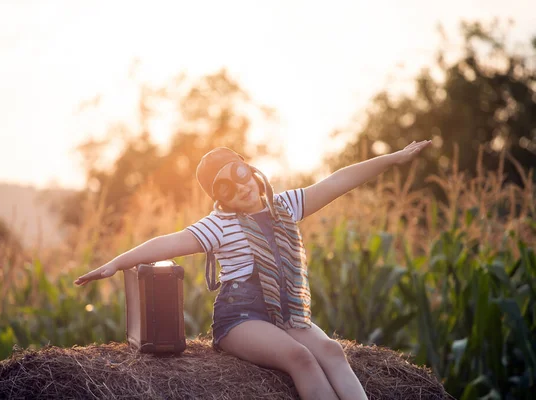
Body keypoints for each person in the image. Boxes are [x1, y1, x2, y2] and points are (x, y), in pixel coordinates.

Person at [74, 140, 432, 400]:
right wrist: (114, 263)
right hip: (240, 319)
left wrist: (394, 158)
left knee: (333, 353)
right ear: (220, 197)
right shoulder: (219, 224)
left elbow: (338, 181)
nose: (241, 188)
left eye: (241, 174)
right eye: (226, 187)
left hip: (285, 313)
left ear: (251, 170)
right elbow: (164, 243)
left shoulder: (285, 206)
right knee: (300, 357)